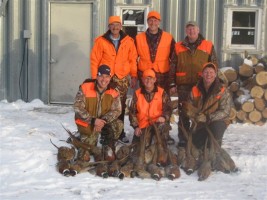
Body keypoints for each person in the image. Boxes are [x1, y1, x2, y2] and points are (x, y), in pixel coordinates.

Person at [169, 20, 219, 148]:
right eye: (189, 29)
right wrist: (172, 83)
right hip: (183, 85)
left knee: (200, 111)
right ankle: (183, 138)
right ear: (186, 31)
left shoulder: (208, 45)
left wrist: (213, 82)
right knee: (183, 112)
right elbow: (173, 65)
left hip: (201, 85)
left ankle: (199, 137)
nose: (191, 31)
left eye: (193, 29)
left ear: (198, 30)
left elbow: (214, 65)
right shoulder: (178, 46)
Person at [90, 16, 138, 143]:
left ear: (121, 26)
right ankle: (104, 131)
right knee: (104, 105)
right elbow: (95, 60)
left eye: (117, 25)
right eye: (112, 25)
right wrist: (95, 77)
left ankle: (120, 132)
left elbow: (133, 59)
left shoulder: (129, 41)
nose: (115, 27)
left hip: (122, 78)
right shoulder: (101, 41)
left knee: (120, 106)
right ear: (109, 27)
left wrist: (134, 75)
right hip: (105, 78)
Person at [135, 10, 176, 144]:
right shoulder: (138, 38)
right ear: (147, 22)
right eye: (150, 20)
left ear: (159, 22)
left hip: (162, 75)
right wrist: (134, 75)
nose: (153, 23)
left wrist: (172, 80)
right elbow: (132, 58)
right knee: (145, 103)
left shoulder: (168, 37)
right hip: (145, 75)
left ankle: (164, 131)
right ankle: (145, 128)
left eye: (155, 20)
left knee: (164, 104)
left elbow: (174, 59)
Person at [73, 65, 123, 162]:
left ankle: (106, 141)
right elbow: (77, 107)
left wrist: (103, 121)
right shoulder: (85, 87)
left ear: (110, 78)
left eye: (107, 76)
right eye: (101, 76)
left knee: (118, 125)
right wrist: (93, 120)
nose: (104, 79)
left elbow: (117, 110)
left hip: (103, 120)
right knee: (89, 150)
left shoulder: (114, 91)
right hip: (88, 122)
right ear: (97, 76)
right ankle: (81, 137)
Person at [184, 62, 232, 149]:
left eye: (211, 72)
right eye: (206, 72)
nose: (208, 74)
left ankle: (215, 153)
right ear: (202, 74)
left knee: (215, 135)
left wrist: (208, 117)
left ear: (215, 74)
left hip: (217, 121)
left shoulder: (222, 90)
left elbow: (225, 112)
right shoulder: (195, 89)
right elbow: (189, 108)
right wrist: (195, 117)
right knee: (195, 145)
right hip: (200, 121)